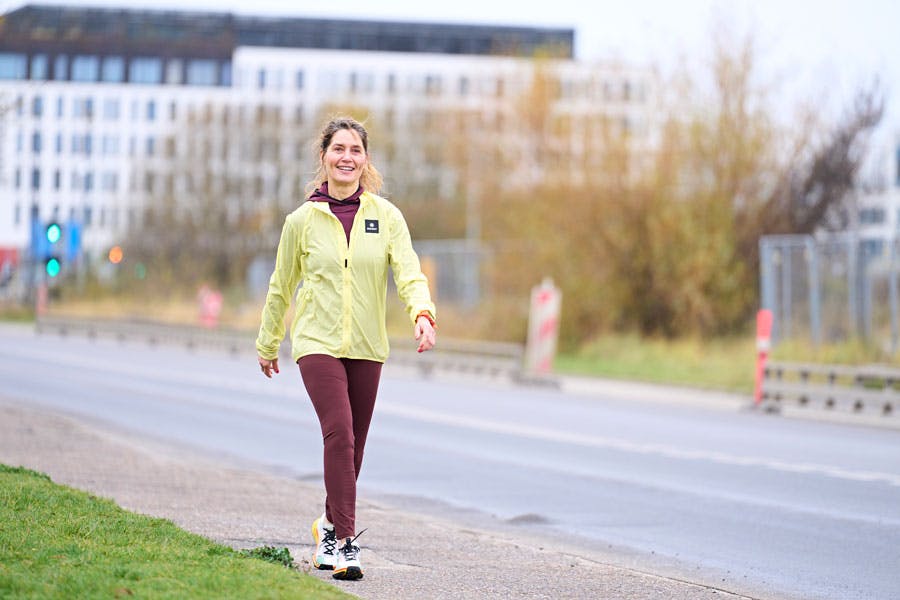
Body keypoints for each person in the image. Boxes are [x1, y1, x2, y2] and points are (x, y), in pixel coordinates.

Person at [256, 116, 436, 581]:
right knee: (339, 432)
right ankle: (347, 547)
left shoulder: (386, 217)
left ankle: (328, 527)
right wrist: (268, 340)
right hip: (316, 341)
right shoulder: (301, 221)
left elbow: (409, 272)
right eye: (338, 149)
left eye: (355, 150)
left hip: (367, 345)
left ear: (365, 160)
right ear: (324, 157)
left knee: (354, 448)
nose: (346, 157)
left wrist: (422, 313)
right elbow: (281, 286)